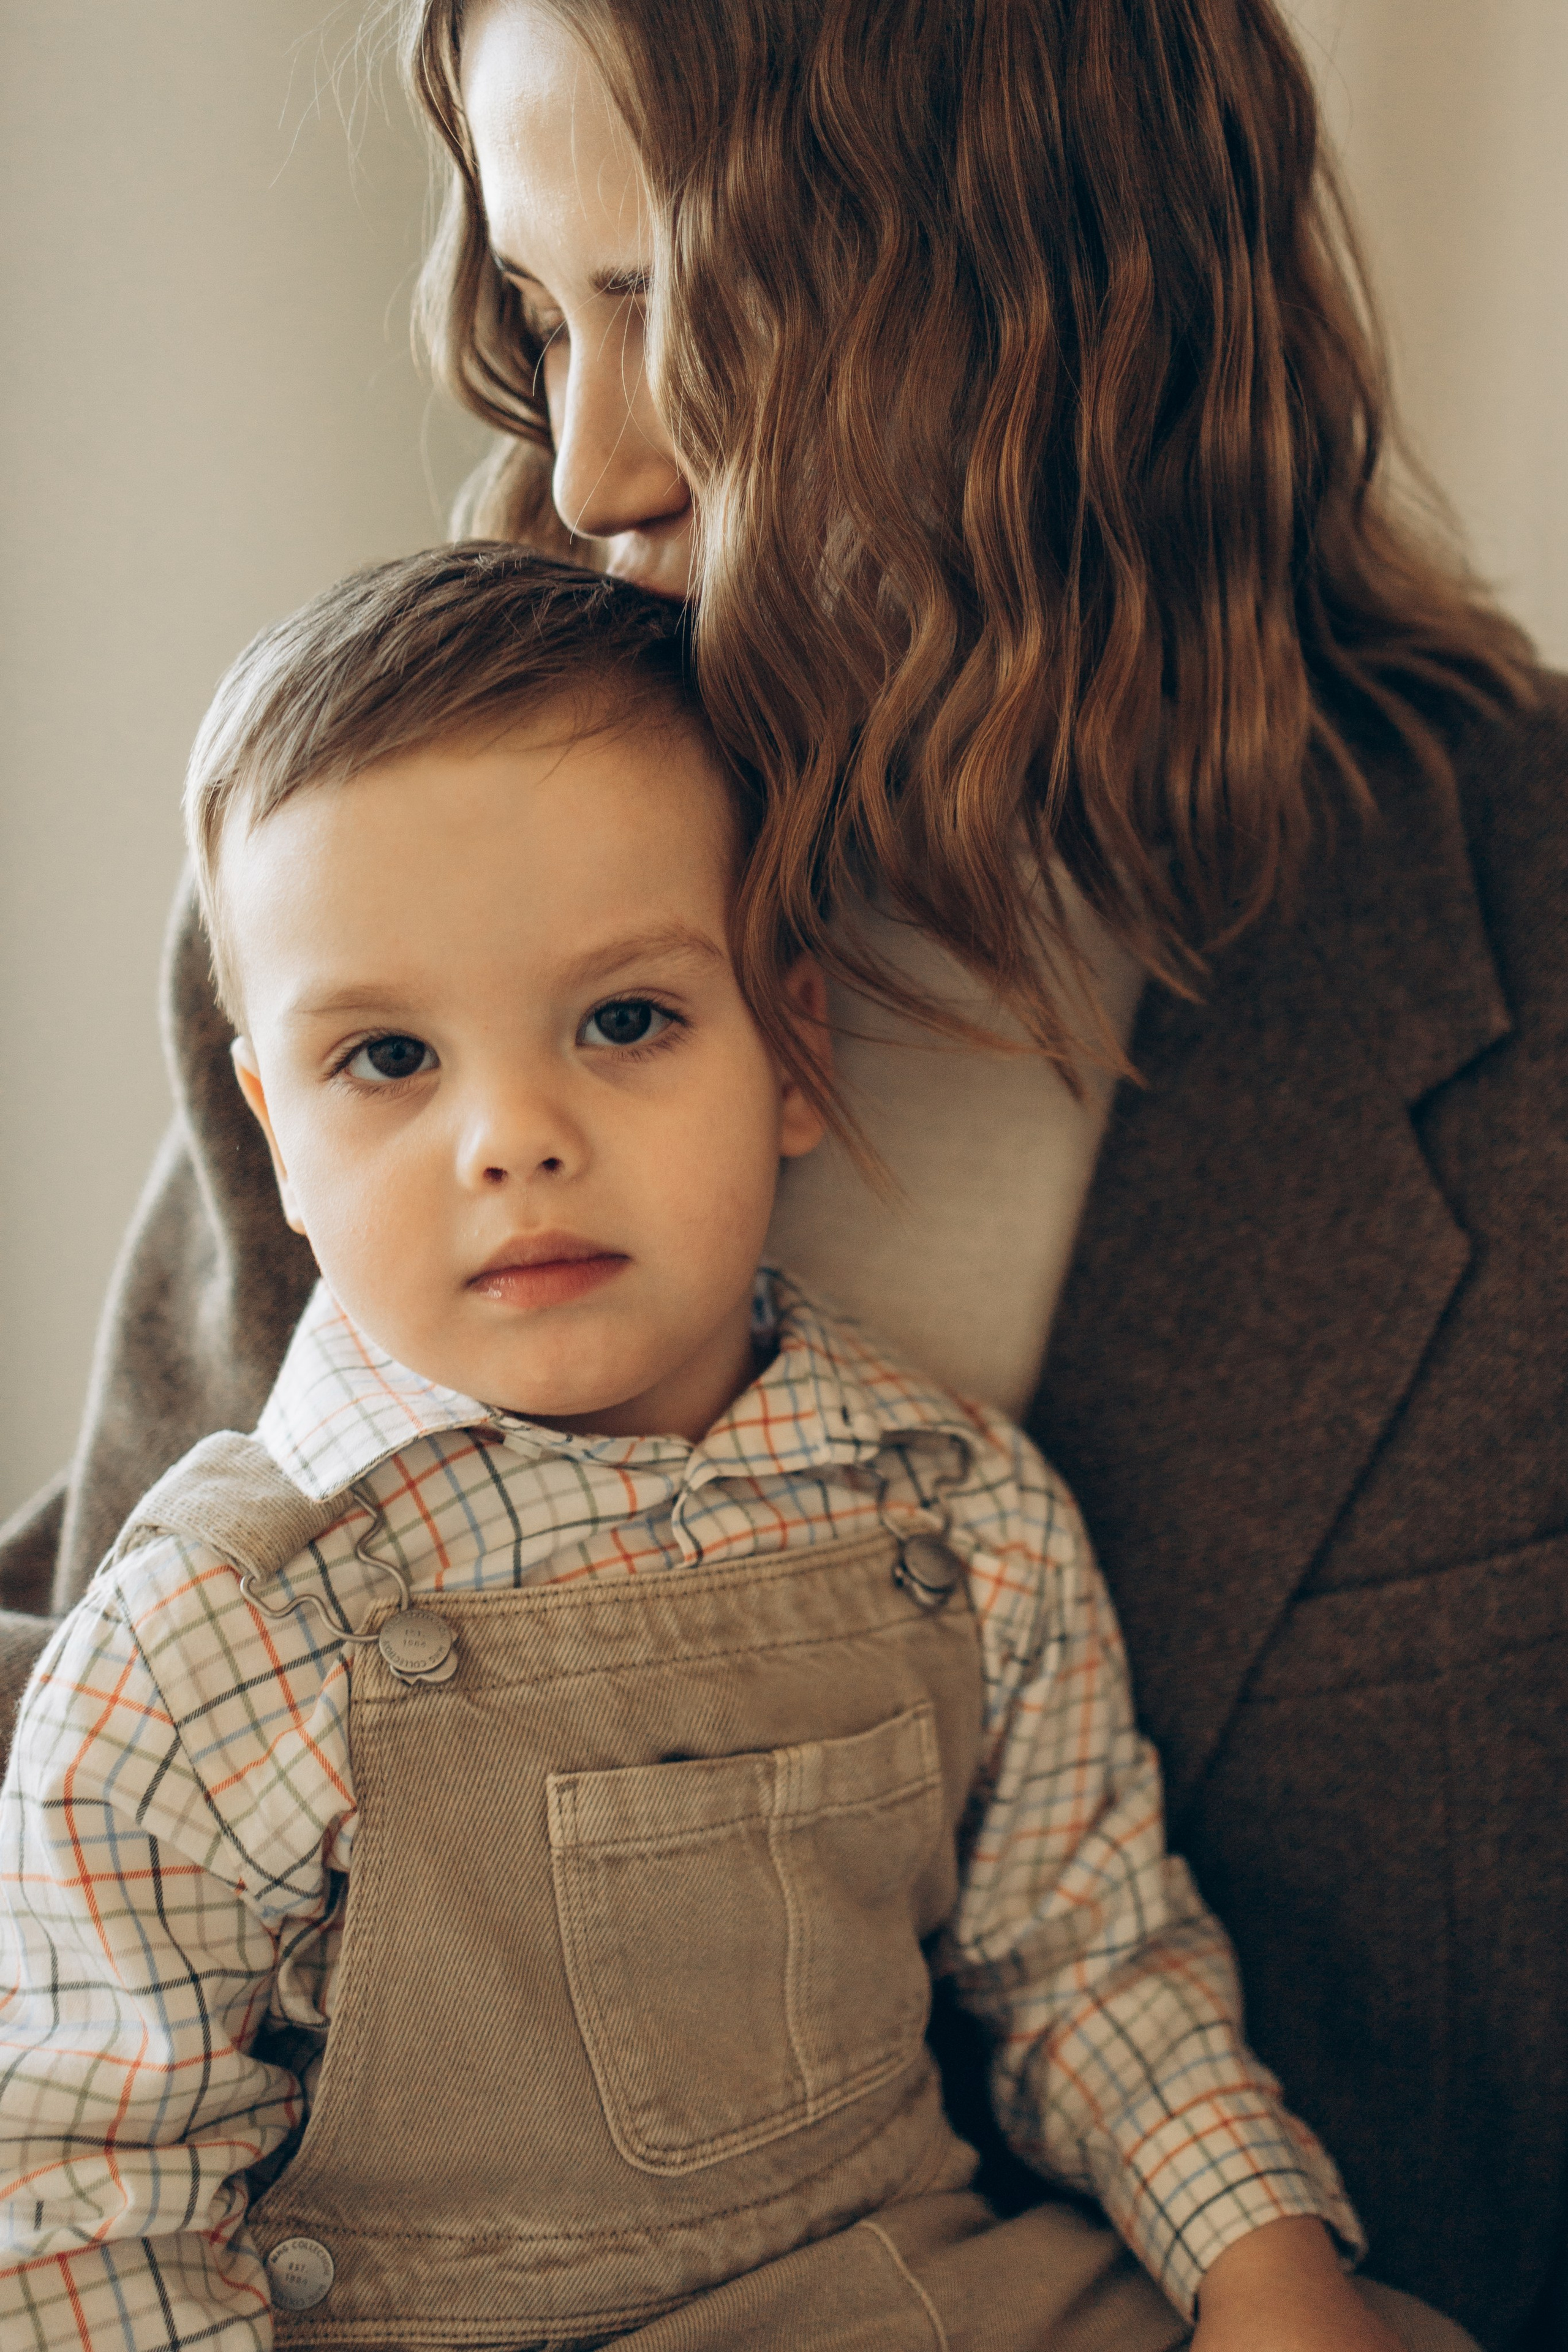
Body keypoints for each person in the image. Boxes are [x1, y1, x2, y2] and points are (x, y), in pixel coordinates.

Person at [0, 1, 1561, 2343]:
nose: (595, 457)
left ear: (1055, 296)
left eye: (683, 307)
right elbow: (102, 1769)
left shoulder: (1509, 917)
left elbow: (1119, 1956)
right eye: (544, 310)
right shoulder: (389, 893)